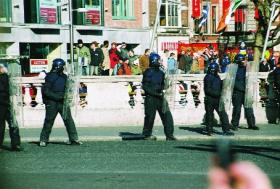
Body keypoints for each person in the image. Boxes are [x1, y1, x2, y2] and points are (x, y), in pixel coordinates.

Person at [40, 59, 82, 147]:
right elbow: (46, 91)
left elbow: (67, 88)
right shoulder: (50, 76)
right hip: (52, 102)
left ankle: (74, 139)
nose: (64, 68)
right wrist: (58, 97)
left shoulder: (64, 77)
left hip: (63, 101)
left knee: (69, 120)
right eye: (63, 66)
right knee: (49, 121)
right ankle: (43, 140)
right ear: (58, 66)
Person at [141, 53, 176, 141]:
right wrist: (156, 94)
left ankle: (169, 135)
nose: (160, 61)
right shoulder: (148, 72)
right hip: (151, 98)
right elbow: (145, 87)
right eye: (159, 60)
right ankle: (147, 134)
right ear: (154, 60)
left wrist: (168, 84)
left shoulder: (161, 72)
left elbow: (163, 85)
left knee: (167, 116)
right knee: (150, 117)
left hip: (160, 97)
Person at [204, 63, 234, 136]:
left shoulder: (217, 76)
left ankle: (226, 130)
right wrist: (218, 94)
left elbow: (220, 84)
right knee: (209, 115)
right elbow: (207, 90)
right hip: (210, 99)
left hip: (218, 99)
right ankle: (209, 130)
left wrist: (226, 82)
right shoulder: (208, 77)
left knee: (223, 114)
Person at [231, 54, 259, 130]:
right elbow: (233, 82)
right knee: (237, 109)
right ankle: (234, 124)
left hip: (246, 91)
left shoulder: (246, 68)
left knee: (249, 108)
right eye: (243, 60)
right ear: (239, 61)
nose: (244, 61)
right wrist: (243, 88)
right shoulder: (233, 70)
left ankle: (252, 124)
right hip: (237, 92)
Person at [0, 64, 22, 151]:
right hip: (5, 103)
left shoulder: (6, 77)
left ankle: (15, 144)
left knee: (11, 124)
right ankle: (16, 145)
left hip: (6, 103)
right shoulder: (5, 77)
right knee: (12, 124)